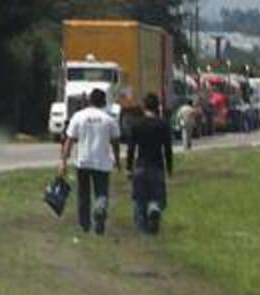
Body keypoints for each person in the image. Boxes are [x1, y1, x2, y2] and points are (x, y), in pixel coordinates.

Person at [59, 88, 121, 234]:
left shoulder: (78, 117)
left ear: (89, 100)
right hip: (102, 163)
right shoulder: (109, 119)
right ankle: (99, 210)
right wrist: (117, 160)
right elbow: (116, 142)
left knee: (83, 195)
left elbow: (69, 140)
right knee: (101, 193)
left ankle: (84, 225)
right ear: (104, 102)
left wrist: (63, 161)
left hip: (84, 161)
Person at [127, 93, 174, 235]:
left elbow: (131, 148)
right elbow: (167, 148)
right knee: (158, 197)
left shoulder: (136, 124)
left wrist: (129, 167)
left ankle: (143, 233)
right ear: (157, 107)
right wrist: (169, 167)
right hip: (157, 166)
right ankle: (154, 208)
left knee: (140, 200)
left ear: (143, 106)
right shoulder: (163, 124)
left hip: (140, 165)